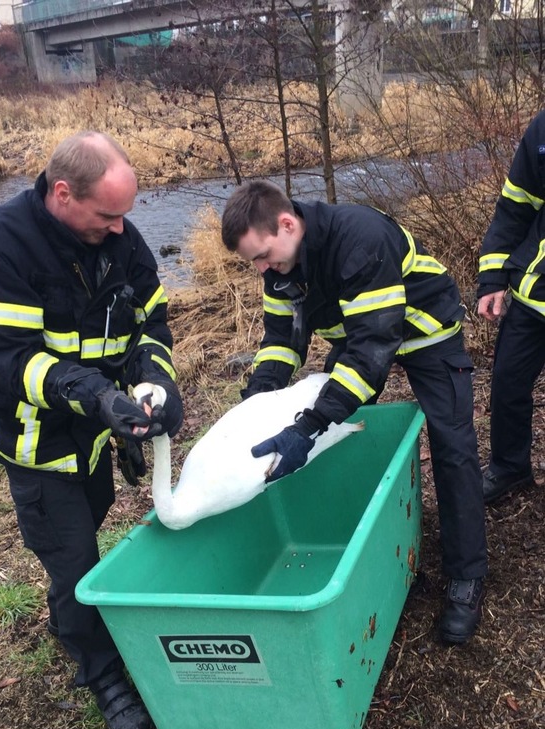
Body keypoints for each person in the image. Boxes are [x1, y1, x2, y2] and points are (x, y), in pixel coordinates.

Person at [0, 131, 183, 729]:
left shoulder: (117, 237)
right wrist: (98, 397)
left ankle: (72, 621)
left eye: (125, 215)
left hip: (94, 427)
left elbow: (152, 320)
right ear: (63, 193)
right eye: (108, 215)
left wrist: (155, 382)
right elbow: (9, 360)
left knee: (96, 514)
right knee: (75, 557)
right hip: (38, 439)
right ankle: (102, 671)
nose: (120, 229)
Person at [221, 180, 488, 645]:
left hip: (424, 330)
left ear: (287, 224)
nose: (261, 268)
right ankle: (371, 542)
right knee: (342, 430)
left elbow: (371, 353)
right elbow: (282, 343)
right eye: (254, 262)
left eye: (263, 255)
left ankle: (467, 576)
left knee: (453, 445)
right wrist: (258, 399)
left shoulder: (359, 238)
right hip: (362, 333)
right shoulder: (279, 267)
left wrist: (309, 424)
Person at [477, 111, 545, 503]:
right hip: (535, 296)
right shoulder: (541, 132)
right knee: (507, 384)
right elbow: (514, 209)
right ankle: (509, 468)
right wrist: (493, 279)